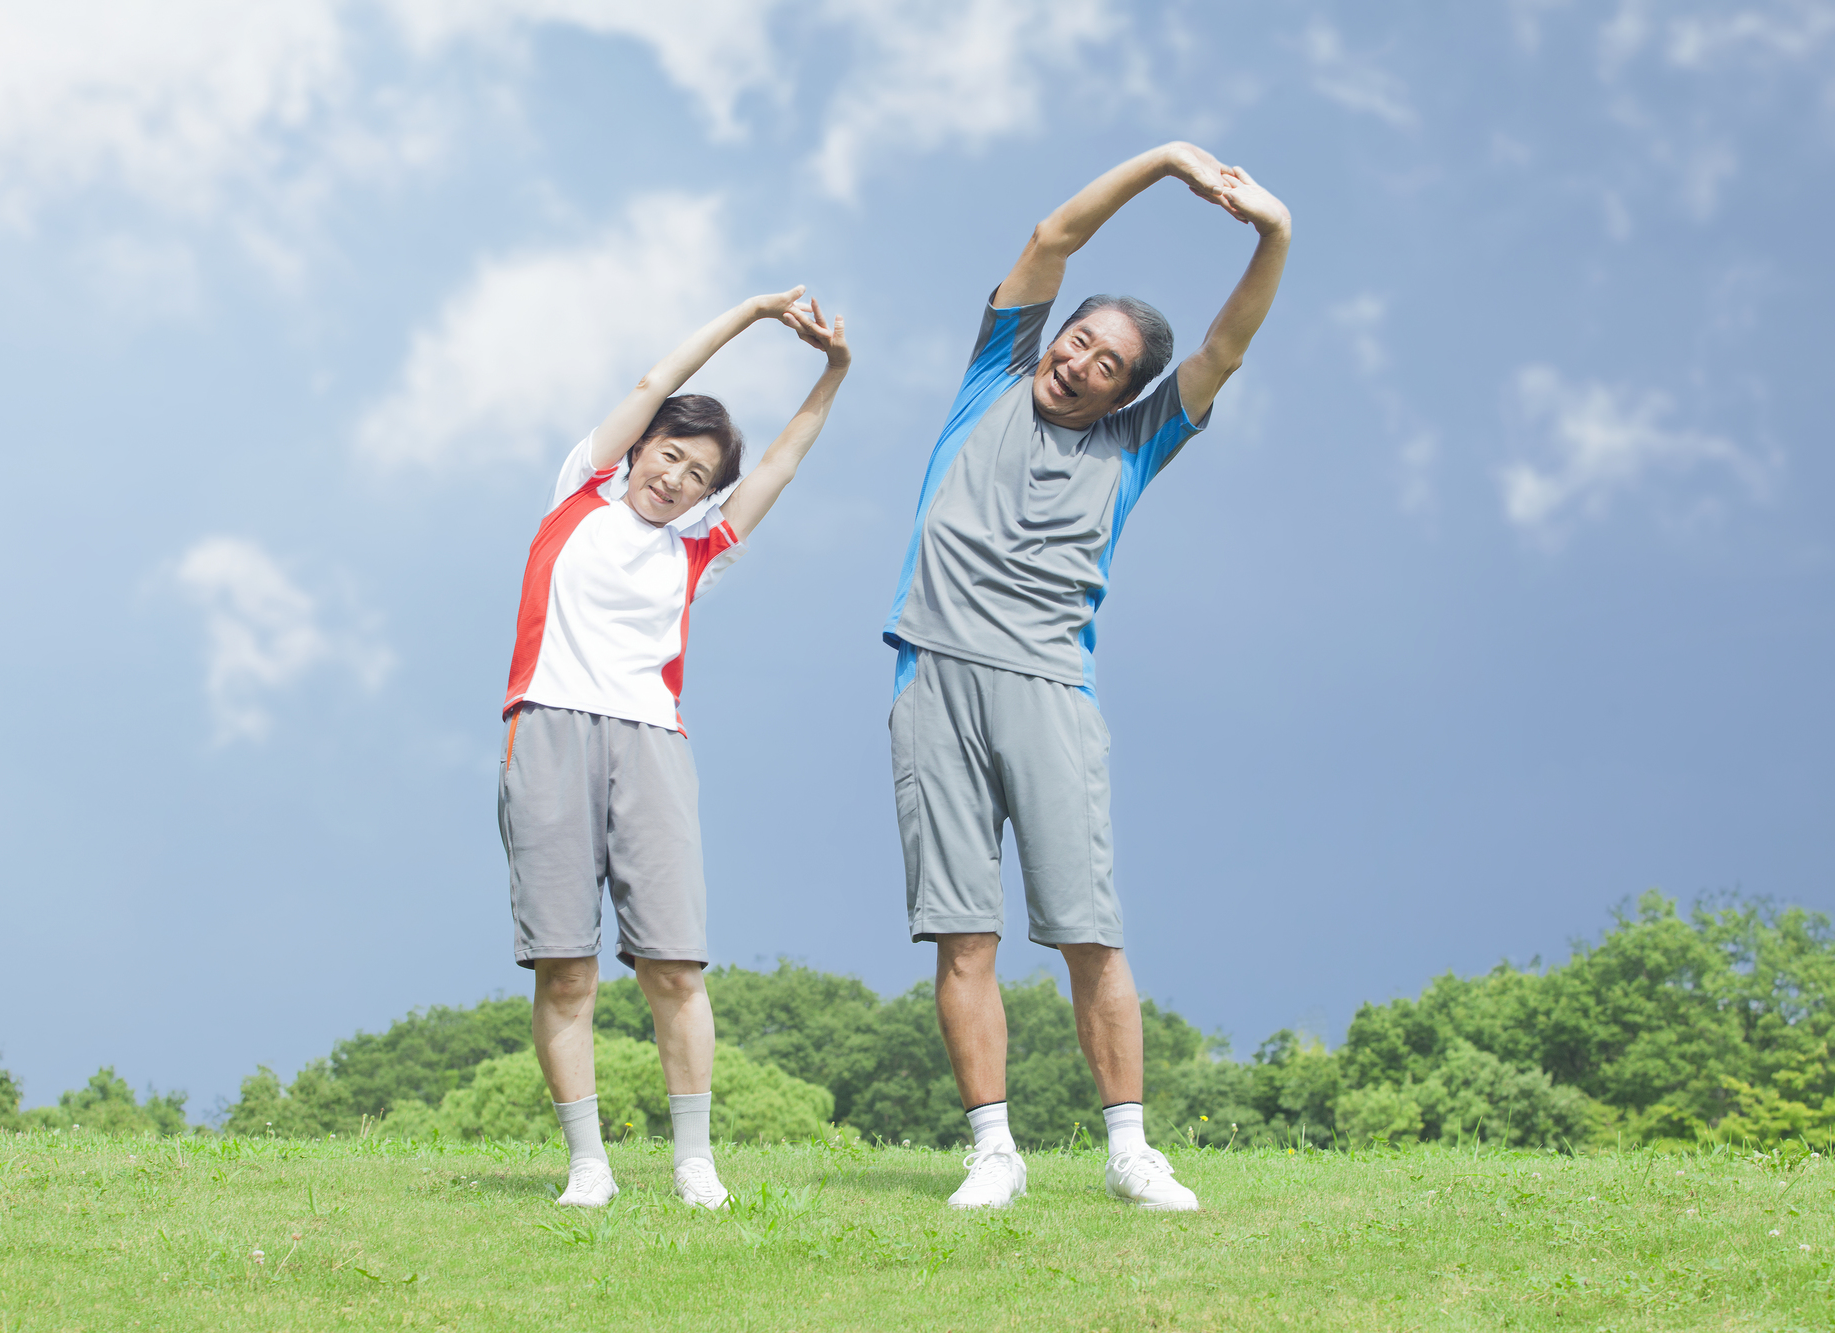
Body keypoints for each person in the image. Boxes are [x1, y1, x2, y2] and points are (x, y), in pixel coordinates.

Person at [882, 143, 1291, 1210]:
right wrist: (1162, 163)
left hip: (1050, 692)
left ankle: (1128, 1149)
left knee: (1087, 931)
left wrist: (1272, 233)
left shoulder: (1137, 443)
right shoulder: (993, 378)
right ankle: (992, 1151)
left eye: (1105, 362)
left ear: (1127, 388)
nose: (1076, 363)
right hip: (934, 678)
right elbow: (1051, 237)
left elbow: (1224, 347)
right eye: (1077, 341)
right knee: (961, 931)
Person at [500, 287, 851, 1208]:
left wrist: (833, 370)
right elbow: (662, 375)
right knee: (564, 965)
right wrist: (755, 312)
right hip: (548, 729)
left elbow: (778, 464)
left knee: (674, 964)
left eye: (700, 476)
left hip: (652, 743)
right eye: (671, 456)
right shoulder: (578, 492)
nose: (678, 481)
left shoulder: (698, 550)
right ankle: (588, 1164)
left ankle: (695, 1159)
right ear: (642, 447)